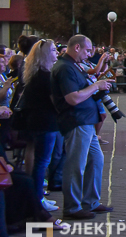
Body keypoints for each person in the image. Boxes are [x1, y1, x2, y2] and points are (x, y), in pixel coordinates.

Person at [50, 35, 114, 220]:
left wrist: (97, 86)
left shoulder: (73, 65)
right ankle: (72, 207)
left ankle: (90, 201)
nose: (88, 54)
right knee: (75, 164)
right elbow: (72, 98)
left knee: (96, 159)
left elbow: (83, 87)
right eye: (87, 50)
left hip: (85, 120)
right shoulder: (65, 68)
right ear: (77, 47)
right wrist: (96, 86)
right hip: (76, 120)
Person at [18, 39, 61, 212]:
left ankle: (38, 198)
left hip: (37, 121)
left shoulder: (34, 74)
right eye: (53, 50)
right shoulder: (46, 76)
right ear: (46, 54)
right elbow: (56, 102)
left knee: (40, 161)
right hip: (46, 122)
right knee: (42, 162)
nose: (57, 52)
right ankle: (37, 200)